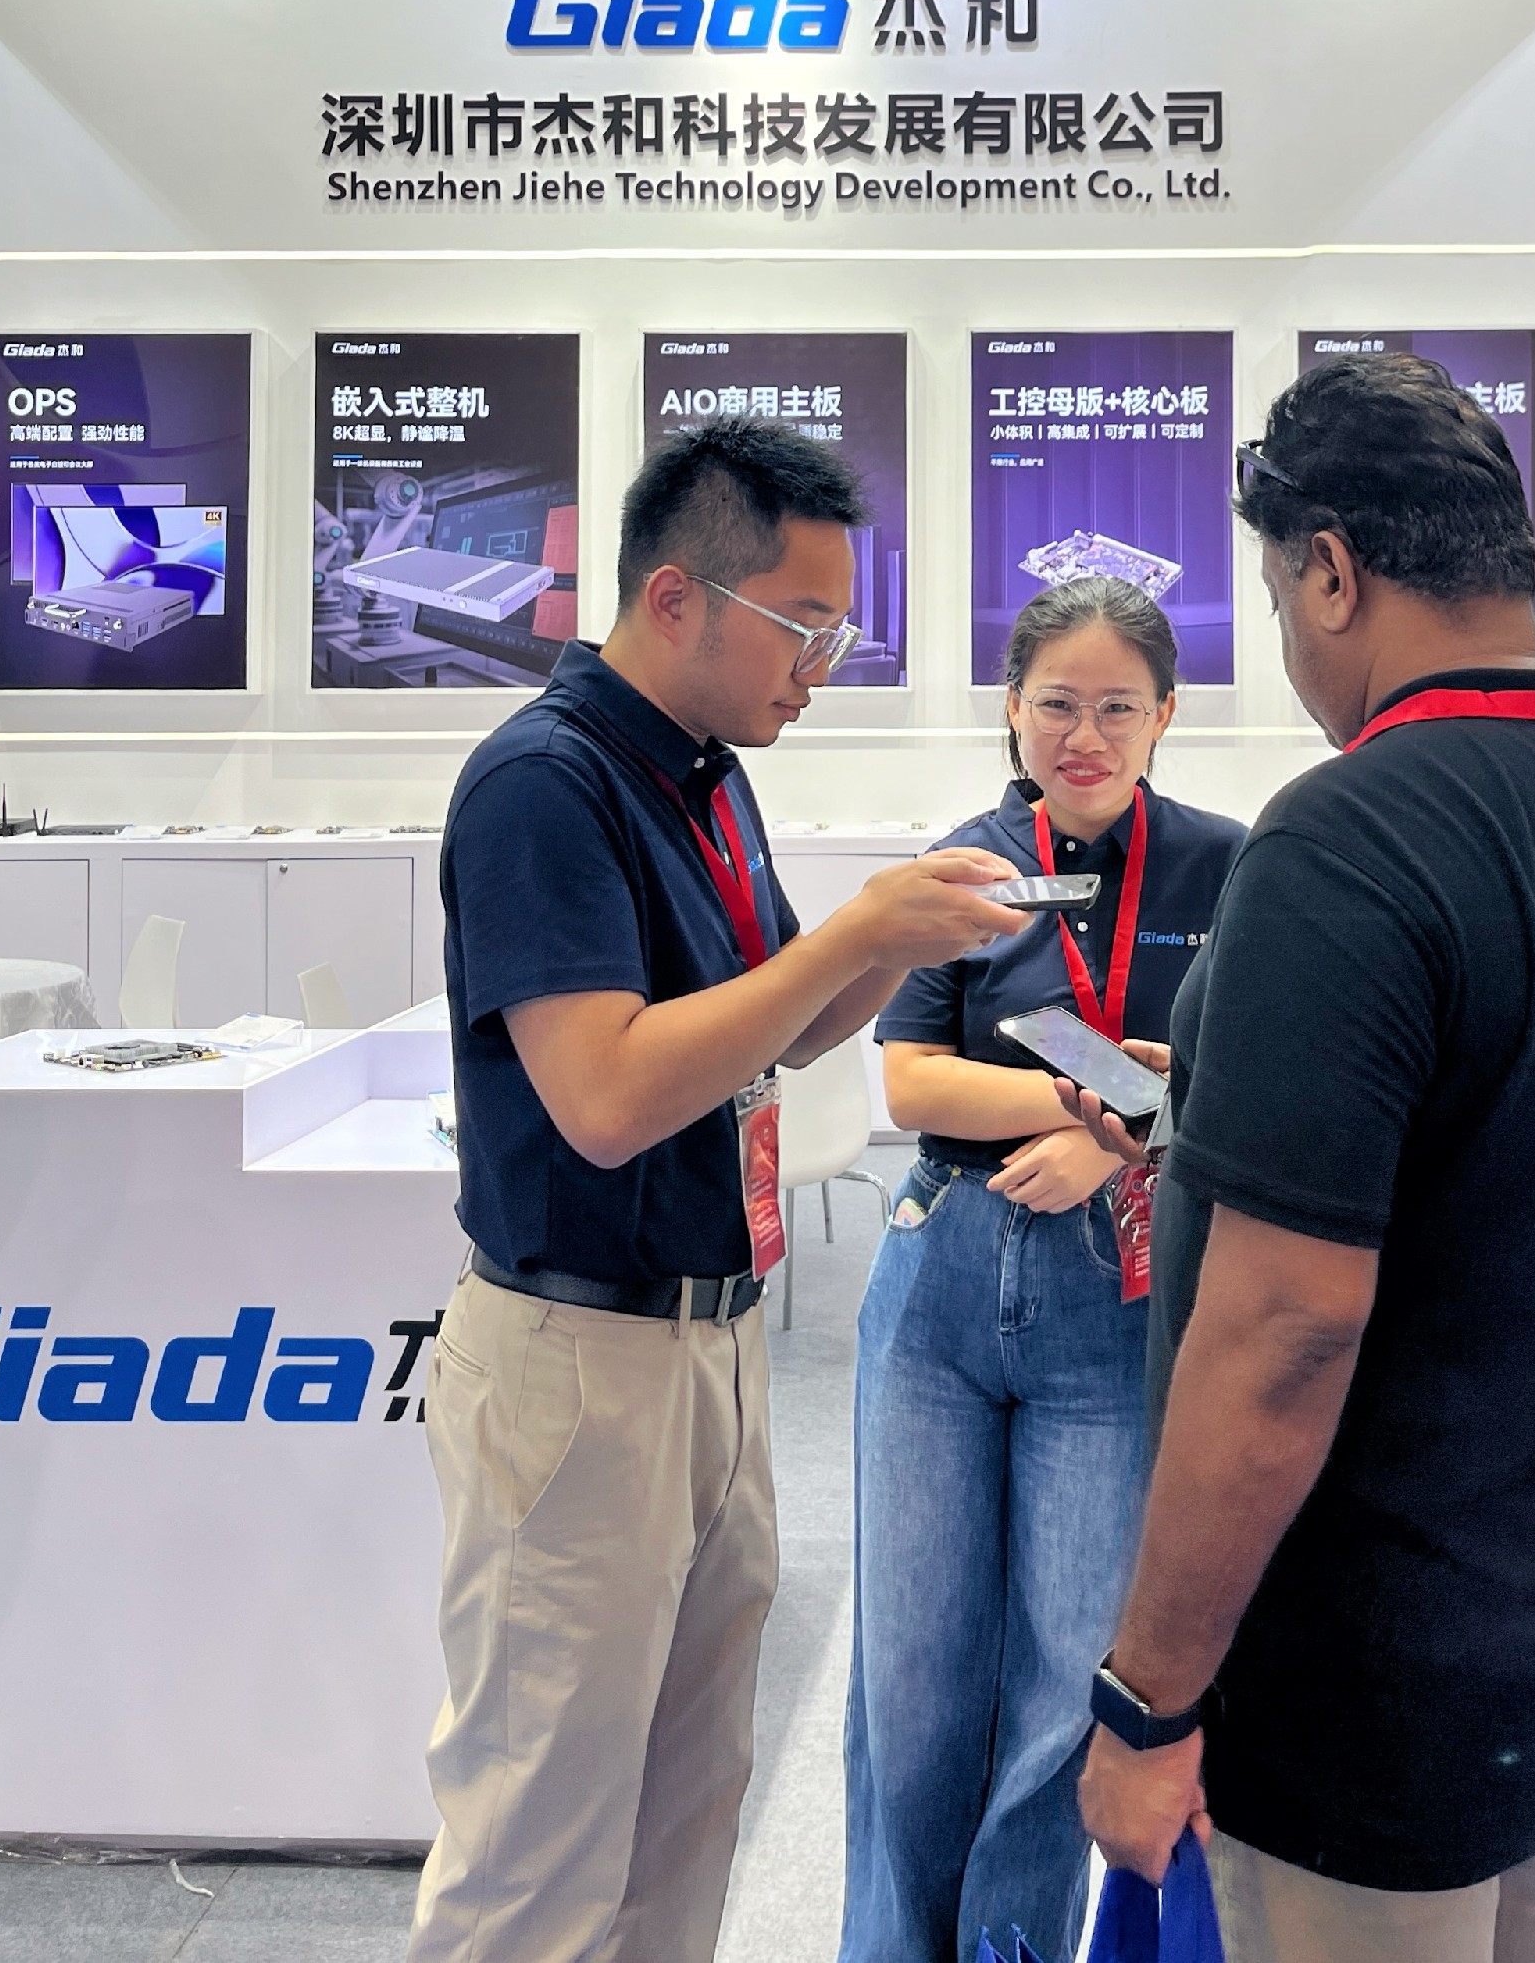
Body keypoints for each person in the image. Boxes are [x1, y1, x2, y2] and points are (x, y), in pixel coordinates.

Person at [1067, 355, 1535, 1963]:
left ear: (1332, 570)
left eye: (1281, 599)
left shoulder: (1346, 834)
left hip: (1377, 1681)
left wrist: (1146, 1698)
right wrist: (1220, 1105)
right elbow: (1518, 1132)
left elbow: (1286, 1327)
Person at [407, 419, 1025, 1963]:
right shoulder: (544, 785)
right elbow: (609, 1095)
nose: (821, 665)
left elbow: (776, 1025)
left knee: (686, 1816)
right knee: (538, 1848)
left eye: (840, 629)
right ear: (677, 595)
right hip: (579, 1358)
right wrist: (854, 934)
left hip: (711, 1340)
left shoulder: (707, 775)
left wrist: (892, 937)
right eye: (802, 624)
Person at [840, 579, 1244, 1963]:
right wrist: (1101, 1108)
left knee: (1072, 1668)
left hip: (1116, 1294)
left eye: (1118, 706)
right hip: (943, 1272)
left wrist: (1115, 1140)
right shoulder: (961, 868)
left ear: (1166, 715)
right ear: (1012, 709)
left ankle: (1011, 1942)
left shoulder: (1228, 867)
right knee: (912, 1672)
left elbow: (1250, 1083)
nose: (1086, 734)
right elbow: (909, 1079)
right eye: (1058, 703)